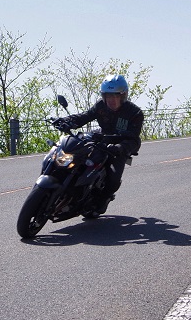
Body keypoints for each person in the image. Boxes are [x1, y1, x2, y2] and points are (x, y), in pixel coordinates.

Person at [54, 75, 144, 215]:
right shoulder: (101, 106)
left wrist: (122, 148)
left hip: (118, 146)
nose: (112, 100)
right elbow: (85, 116)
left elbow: (133, 138)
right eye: (108, 96)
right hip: (100, 137)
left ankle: (102, 199)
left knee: (113, 178)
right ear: (104, 96)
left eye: (116, 96)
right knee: (71, 151)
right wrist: (66, 121)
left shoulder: (134, 112)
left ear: (123, 96)